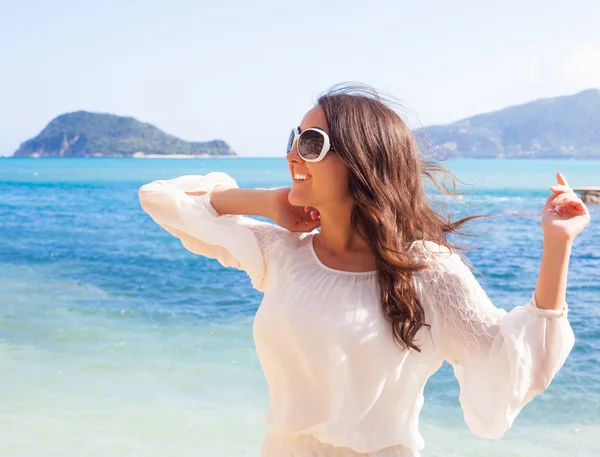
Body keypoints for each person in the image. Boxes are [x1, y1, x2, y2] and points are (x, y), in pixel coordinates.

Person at [138, 83, 590, 457]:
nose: (294, 155)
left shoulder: (428, 271)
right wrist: (265, 201)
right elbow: (161, 199)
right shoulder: (285, 253)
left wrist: (557, 243)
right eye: (293, 140)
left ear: (362, 162)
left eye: (311, 144)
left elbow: (512, 366)